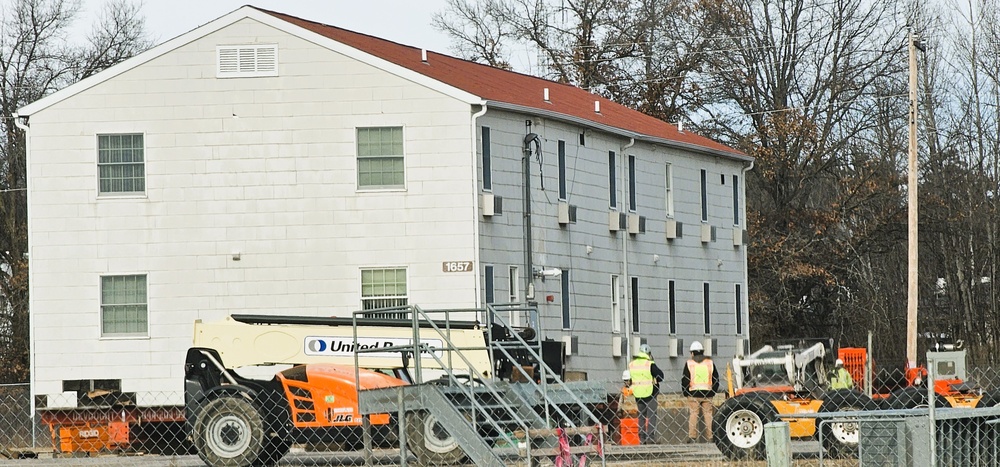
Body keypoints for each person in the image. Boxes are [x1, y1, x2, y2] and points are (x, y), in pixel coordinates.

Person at [682, 340, 720, 443]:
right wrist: (713, 391)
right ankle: (711, 437)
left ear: (692, 353)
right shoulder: (710, 363)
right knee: (708, 415)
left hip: (693, 393)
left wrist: (685, 392)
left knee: (693, 414)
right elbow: (716, 378)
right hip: (707, 393)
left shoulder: (689, 363)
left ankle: (692, 437)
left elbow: (685, 379)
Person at [628, 343, 664, 444]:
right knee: (651, 415)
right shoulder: (650, 364)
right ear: (649, 353)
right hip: (650, 392)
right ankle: (650, 437)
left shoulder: (632, 364)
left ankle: (642, 438)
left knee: (641, 416)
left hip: (637, 393)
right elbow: (660, 376)